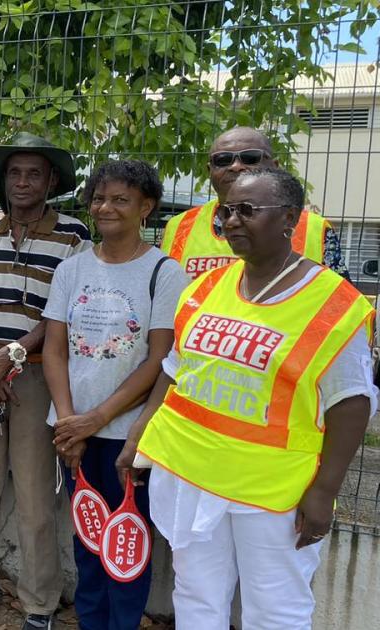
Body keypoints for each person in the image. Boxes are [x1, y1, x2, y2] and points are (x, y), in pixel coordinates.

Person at [119, 167, 375, 630]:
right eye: (227, 212)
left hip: (271, 489)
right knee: (195, 595)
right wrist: (141, 434)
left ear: (289, 219)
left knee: (274, 610)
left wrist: (325, 491)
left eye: (248, 211)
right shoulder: (207, 288)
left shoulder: (332, 304)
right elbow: (177, 372)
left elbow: (351, 402)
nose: (232, 222)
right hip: (189, 471)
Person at [0, 132, 92, 629]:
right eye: (14, 172)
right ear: (2, 180)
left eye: (34, 173)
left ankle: (39, 602)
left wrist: (9, 356)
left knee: (34, 497)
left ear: (52, 180)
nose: (23, 181)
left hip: (35, 376)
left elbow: (64, 312)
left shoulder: (74, 237)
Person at [41, 160, 186, 629]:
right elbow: (55, 350)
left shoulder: (163, 272)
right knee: (87, 538)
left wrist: (95, 419)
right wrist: (69, 423)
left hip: (129, 437)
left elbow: (158, 359)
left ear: (146, 207)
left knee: (126, 541)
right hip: (73, 433)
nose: (106, 207)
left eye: (121, 199)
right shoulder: (71, 268)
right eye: (99, 198)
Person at [160, 126, 349, 281]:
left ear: (274, 166)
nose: (235, 166)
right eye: (223, 160)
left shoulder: (312, 229)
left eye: (250, 158)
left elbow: (338, 306)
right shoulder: (178, 227)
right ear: (210, 170)